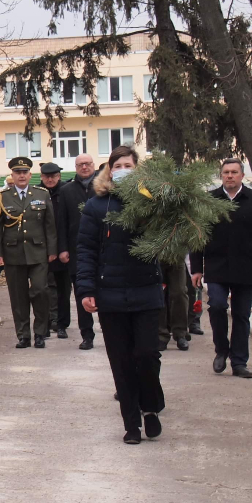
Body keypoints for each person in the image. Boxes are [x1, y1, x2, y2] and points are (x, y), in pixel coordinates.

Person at [76, 145, 165, 444]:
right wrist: (87, 289)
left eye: (129, 165)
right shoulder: (96, 205)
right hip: (110, 293)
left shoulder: (151, 201)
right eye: (118, 165)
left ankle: (150, 407)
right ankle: (131, 425)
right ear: (110, 170)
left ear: (137, 169)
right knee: (122, 360)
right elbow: (86, 250)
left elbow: (170, 239)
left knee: (147, 354)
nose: (123, 169)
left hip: (146, 289)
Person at [191, 157, 252, 379]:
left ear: (242, 175)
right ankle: (221, 350)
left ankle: (239, 362)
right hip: (217, 266)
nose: (229, 176)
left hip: (245, 266)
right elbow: (198, 234)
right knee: (218, 307)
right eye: (226, 172)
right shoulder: (210, 200)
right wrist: (196, 268)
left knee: (241, 315)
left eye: (234, 172)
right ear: (221, 176)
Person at [0, 157, 57, 348]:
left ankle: (40, 332)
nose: (21, 175)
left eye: (25, 172)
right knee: (18, 296)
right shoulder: (3, 197)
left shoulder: (42, 194)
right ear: (12, 175)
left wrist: (52, 250)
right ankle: (23, 335)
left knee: (40, 291)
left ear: (30, 175)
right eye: (17, 172)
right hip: (13, 253)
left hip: (38, 252)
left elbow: (50, 225)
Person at [57, 153, 98, 350]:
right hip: (77, 252)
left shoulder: (104, 187)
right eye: (80, 164)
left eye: (87, 164)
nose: (84, 167)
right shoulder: (66, 190)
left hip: (103, 250)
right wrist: (63, 249)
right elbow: (61, 222)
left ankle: (112, 333)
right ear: (75, 167)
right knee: (82, 294)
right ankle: (87, 335)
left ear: (93, 165)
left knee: (105, 294)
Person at [40, 162, 71, 339]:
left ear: (59, 176)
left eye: (53, 176)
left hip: (62, 247)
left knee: (63, 289)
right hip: (42, 249)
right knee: (42, 288)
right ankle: (44, 323)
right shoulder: (36, 193)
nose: (50, 179)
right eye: (46, 176)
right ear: (42, 177)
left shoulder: (67, 191)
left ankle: (61, 323)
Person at [158, 257, 190, 351]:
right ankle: (161, 335)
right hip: (156, 254)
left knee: (179, 293)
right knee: (159, 294)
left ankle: (181, 334)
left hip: (177, 256)